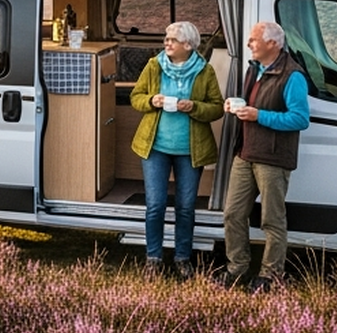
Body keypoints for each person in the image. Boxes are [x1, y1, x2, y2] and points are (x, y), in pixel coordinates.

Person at [220, 20, 311, 293]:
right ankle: (237, 268)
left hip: (272, 158)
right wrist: (236, 106)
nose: (249, 44)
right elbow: (253, 104)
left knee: (272, 220)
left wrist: (258, 115)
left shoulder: (293, 76)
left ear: (273, 43)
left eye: (254, 40)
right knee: (233, 214)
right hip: (245, 153)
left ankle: (270, 276)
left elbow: (300, 119)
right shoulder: (254, 68)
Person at [129, 21, 224, 278]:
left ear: (188, 45)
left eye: (173, 39)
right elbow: (136, 97)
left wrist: (194, 107)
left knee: (185, 207)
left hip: (190, 150)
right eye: (166, 38)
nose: (166, 42)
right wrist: (152, 100)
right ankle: (153, 258)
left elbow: (216, 107)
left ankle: (183, 258)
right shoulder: (154, 65)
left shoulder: (205, 71)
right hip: (155, 147)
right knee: (155, 205)